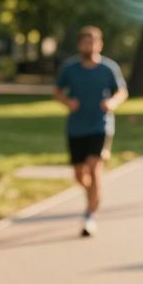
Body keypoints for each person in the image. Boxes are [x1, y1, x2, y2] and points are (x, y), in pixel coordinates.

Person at [54, 26, 128, 237]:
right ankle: (93, 197)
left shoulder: (108, 68)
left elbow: (122, 91)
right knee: (79, 175)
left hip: (100, 125)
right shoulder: (70, 68)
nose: (90, 46)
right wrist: (68, 102)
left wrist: (112, 102)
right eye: (86, 42)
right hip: (76, 127)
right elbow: (57, 92)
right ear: (80, 45)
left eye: (93, 42)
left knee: (95, 169)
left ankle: (90, 215)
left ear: (100, 44)